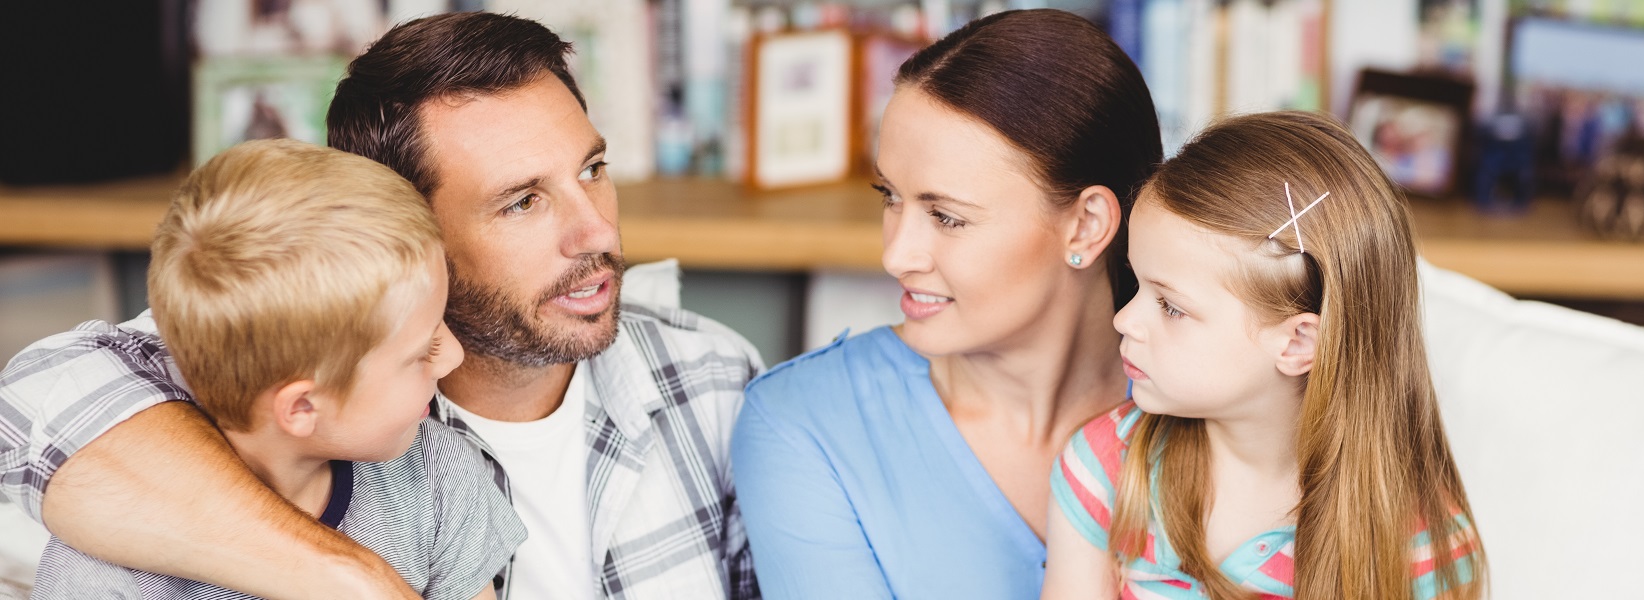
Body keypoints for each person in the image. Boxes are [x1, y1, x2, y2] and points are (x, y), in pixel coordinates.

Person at [0, 12, 759, 599]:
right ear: (403, 226)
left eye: (592, 168)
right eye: (522, 202)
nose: (596, 231)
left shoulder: (716, 377)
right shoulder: (284, 351)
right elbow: (37, 403)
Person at [731, 9, 1161, 599]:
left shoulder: (1227, 407)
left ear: (1086, 226)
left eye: (947, 217)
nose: (897, 256)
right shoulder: (803, 425)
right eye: (890, 197)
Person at [31, 139, 523, 599]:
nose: (454, 355)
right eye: (421, 351)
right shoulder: (103, 568)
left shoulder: (437, 478)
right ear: (302, 405)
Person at [1040, 112, 1485, 600]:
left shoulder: (1420, 549)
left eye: (1170, 306)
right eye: (1136, 283)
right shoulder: (1105, 469)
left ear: (1298, 344)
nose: (1124, 320)